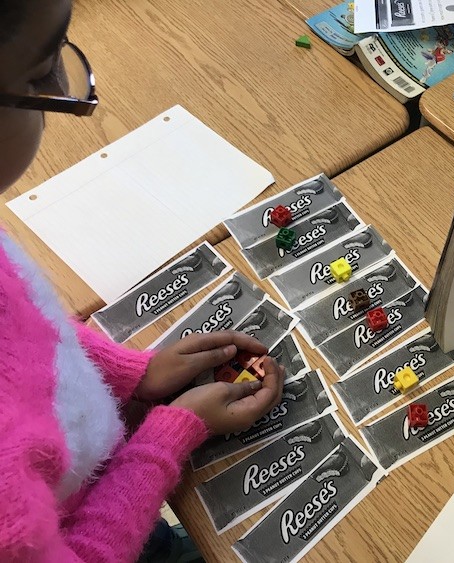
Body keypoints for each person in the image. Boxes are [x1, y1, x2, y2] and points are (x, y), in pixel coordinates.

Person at [0, 1, 286, 561]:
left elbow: (25, 330)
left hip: (97, 476)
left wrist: (132, 371)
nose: (65, 93)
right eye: (40, 73)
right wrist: (165, 440)